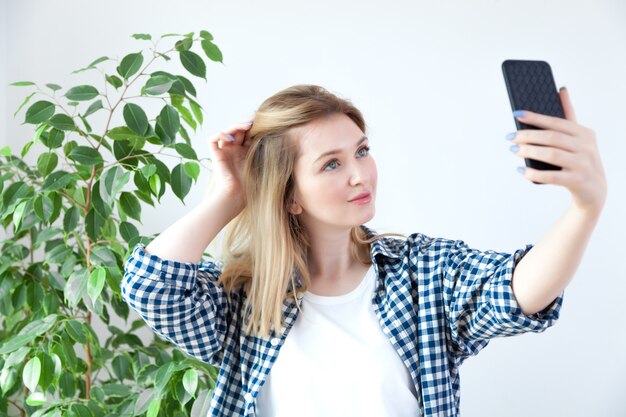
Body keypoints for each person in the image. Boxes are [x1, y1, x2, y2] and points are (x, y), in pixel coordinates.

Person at [121, 84, 607, 417]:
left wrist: (586, 206)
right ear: (289, 195)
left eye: (361, 150)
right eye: (331, 164)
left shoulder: (420, 272)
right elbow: (151, 287)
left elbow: (517, 291)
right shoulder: (244, 300)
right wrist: (229, 195)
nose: (360, 174)